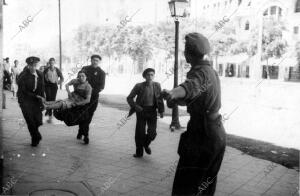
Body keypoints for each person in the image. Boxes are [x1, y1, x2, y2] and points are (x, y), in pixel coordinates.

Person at [162, 33, 226, 196]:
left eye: (185, 50)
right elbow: (195, 96)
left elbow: (190, 87)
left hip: (202, 136)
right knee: (205, 186)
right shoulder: (210, 70)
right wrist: (175, 99)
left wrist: (173, 93)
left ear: (188, 54)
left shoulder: (200, 72)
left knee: (186, 187)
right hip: (214, 132)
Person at [127, 68, 164, 158]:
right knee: (140, 133)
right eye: (148, 75)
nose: (150, 76)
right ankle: (139, 152)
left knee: (152, 133)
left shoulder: (157, 85)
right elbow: (129, 98)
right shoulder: (139, 86)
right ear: (144, 76)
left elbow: (159, 99)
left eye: (152, 74)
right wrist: (136, 106)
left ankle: (145, 144)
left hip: (152, 111)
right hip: (141, 111)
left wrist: (161, 111)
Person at [17, 56, 45, 147]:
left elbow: (42, 88)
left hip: (36, 100)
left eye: (35, 65)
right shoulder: (23, 75)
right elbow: (23, 91)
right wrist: (36, 96)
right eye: (31, 66)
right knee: (30, 120)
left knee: (37, 121)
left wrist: (42, 99)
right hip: (25, 100)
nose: (33, 67)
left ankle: (35, 134)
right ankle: (35, 137)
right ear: (28, 66)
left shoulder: (40, 74)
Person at [78, 54, 106, 144]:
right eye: (94, 60)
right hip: (82, 96)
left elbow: (101, 86)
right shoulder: (84, 69)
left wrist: (91, 92)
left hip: (93, 97)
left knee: (89, 115)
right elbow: (78, 80)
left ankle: (82, 131)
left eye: (97, 60)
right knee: (82, 114)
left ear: (99, 62)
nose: (95, 62)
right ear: (91, 60)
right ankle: (85, 134)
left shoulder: (102, 73)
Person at [43, 58, 64, 122]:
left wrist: (59, 82)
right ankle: (49, 112)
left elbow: (62, 78)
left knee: (53, 99)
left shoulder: (57, 69)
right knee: (48, 98)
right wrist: (43, 83)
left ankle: (49, 110)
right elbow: (42, 77)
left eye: (52, 63)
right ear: (49, 63)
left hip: (54, 85)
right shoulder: (46, 69)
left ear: (54, 63)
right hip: (47, 85)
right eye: (50, 63)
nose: (51, 64)